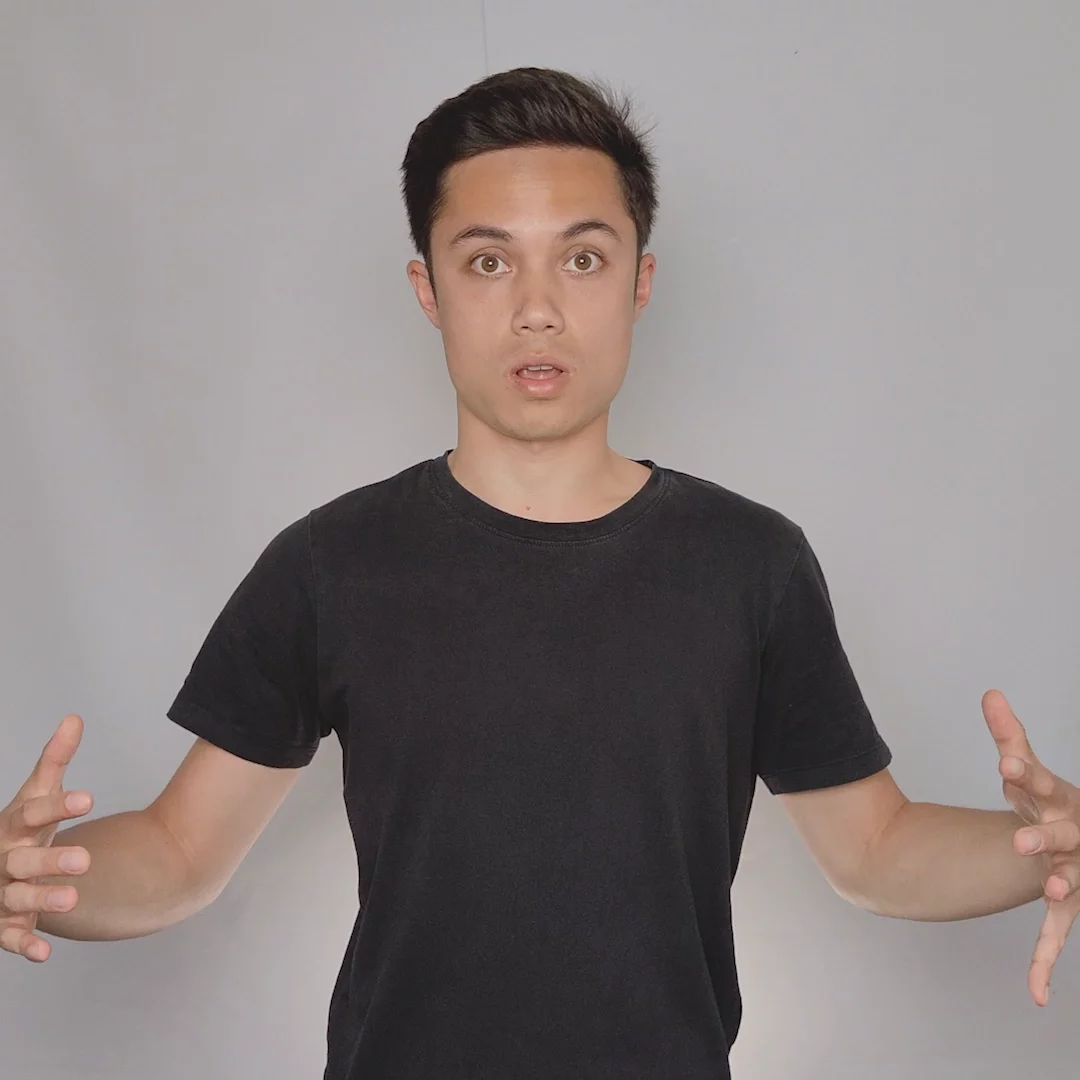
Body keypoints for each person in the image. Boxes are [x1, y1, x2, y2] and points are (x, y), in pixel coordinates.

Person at [2, 66, 1077, 1080]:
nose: (536, 308)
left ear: (640, 281)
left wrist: (1054, 847)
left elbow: (877, 850)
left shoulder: (750, 565)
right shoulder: (332, 564)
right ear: (428, 289)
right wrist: (28, 879)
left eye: (582, 258)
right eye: (487, 261)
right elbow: (179, 850)